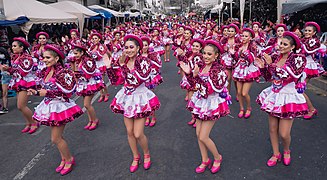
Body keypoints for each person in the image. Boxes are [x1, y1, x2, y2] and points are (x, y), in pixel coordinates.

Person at [107, 35, 160, 173]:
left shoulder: (143, 61)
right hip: (127, 98)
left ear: (138, 48)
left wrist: (122, 65)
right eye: (126, 47)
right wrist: (112, 67)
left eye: (132, 47)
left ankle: (146, 154)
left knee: (138, 133)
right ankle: (136, 157)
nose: (129, 50)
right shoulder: (123, 60)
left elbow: (137, 80)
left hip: (140, 98)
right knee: (129, 132)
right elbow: (116, 81)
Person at [28, 44, 83, 175]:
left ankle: (69, 159)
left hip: (60, 107)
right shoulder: (46, 71)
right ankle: (64, 158)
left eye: (48, 57)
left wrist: (45, 92)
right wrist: (35, 91)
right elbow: (43, 87)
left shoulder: (62, 72)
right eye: (43, 57)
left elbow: (68, 92)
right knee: (57, 137)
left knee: (55, 138)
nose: (44, 59)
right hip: (49, 106)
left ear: (57, 58)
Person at [256, 31, 308, 167]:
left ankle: (286, 150)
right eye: (280, 43)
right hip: (274, 94)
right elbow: (269, 77)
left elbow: (288, 76)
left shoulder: (298, 59)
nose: (281, 46)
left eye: (285, 44)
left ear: (292, 47)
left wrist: (270, 65)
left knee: (284, 133)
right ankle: (275, 153)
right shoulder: (275, 57)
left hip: (288, 97)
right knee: (273, 129)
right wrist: (263, 67)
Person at [180, 40, 230, 174]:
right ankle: (205, 160)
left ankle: (217, 157)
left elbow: (208, 90)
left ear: (216, 56)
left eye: (209, 54)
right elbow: (194, 86)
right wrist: (190, 75)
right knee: (198, 134)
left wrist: (195, 77)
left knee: (203, 136)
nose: (206, 56)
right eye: (204, 53)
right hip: (200, 101)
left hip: (211, 103)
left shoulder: (219, 71)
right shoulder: (201, 65)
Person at [2, 37, 39, 134]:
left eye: (15, 46)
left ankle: (34, 122)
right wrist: (8, 69)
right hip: (18, 82)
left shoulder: (26, 58)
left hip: (26, 82)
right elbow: (15, 71)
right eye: (12, 46)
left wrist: (10, 69)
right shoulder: (15, 57)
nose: (12, 48)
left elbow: (24, 72)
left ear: (21, 47)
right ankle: (28, 123)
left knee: (21, 106)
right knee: (22, 105)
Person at [71, 44, 104, 130]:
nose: (75, 55)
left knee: (87, 104)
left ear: (82, 52)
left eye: (76, 53)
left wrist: (77, 75)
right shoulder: (78, 60)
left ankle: (95, 120)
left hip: (90, 83)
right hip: (83, 84)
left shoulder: (88, 60)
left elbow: (89, 74)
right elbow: (75, 72)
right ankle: (90, 120)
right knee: (86, 105)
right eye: (74, 53)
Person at [232, 28, 261, 119]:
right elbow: (236, 59)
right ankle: (241, 108)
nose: (243, 38)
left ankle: (248, 108)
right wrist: (234, 53)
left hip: (248, 71)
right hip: (239, 70)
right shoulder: (239, 46)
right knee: (239, 92)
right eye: (242, 36)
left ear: (250, 38)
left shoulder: (253, 47)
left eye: (246, 36)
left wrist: (245, 53)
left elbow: (251, 60)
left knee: (244, 93)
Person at [177, 38, 205, 127]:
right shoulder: (190, 54)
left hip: (196, 80)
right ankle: (193, 117)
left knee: (196, 100)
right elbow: (183, 61)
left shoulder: (200, 57)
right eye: (193, 46)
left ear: (200, 48)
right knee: (190, 100)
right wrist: (180, 54)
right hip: (189, 79)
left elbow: (199, 70)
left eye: (197, 46)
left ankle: (197, 119)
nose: (195, 47)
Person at [301, 22, 325, 119]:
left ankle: (311, 109)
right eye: (306, 30)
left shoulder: (315, 41)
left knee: (299, 89)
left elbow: (308, 51)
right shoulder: (304, 40)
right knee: (298, 88)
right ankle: (305, 108)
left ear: (314, 32)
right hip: (302, 65)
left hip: (308, 66)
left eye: (309, 31)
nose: (306, 32)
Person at [141, 36, 163, 127]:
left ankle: (153, 116)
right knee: (142, 99)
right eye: (142, 45)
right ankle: (146, 117)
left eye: (146, 45)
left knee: (149, 98)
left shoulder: (152, 55)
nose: (144, 47)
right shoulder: (136, 56)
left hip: (149, 79)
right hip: (140, 81)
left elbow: (157, 66)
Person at [88, 32, 110, 103]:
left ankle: (106, 94)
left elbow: (103, 54)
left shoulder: (102, 46)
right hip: (94, 65)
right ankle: (101, 94)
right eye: (93, 38)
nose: (94, 40)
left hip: (100, 65)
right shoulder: (91, 47)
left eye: (96, 38)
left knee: (101, 81)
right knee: (97, 81)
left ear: (99, 39)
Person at [0, 47, 11, 113]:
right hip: (2, 76)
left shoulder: (8, 60)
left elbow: (9, 68)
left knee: (4, 93)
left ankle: (5, 107)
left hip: (5, 77)